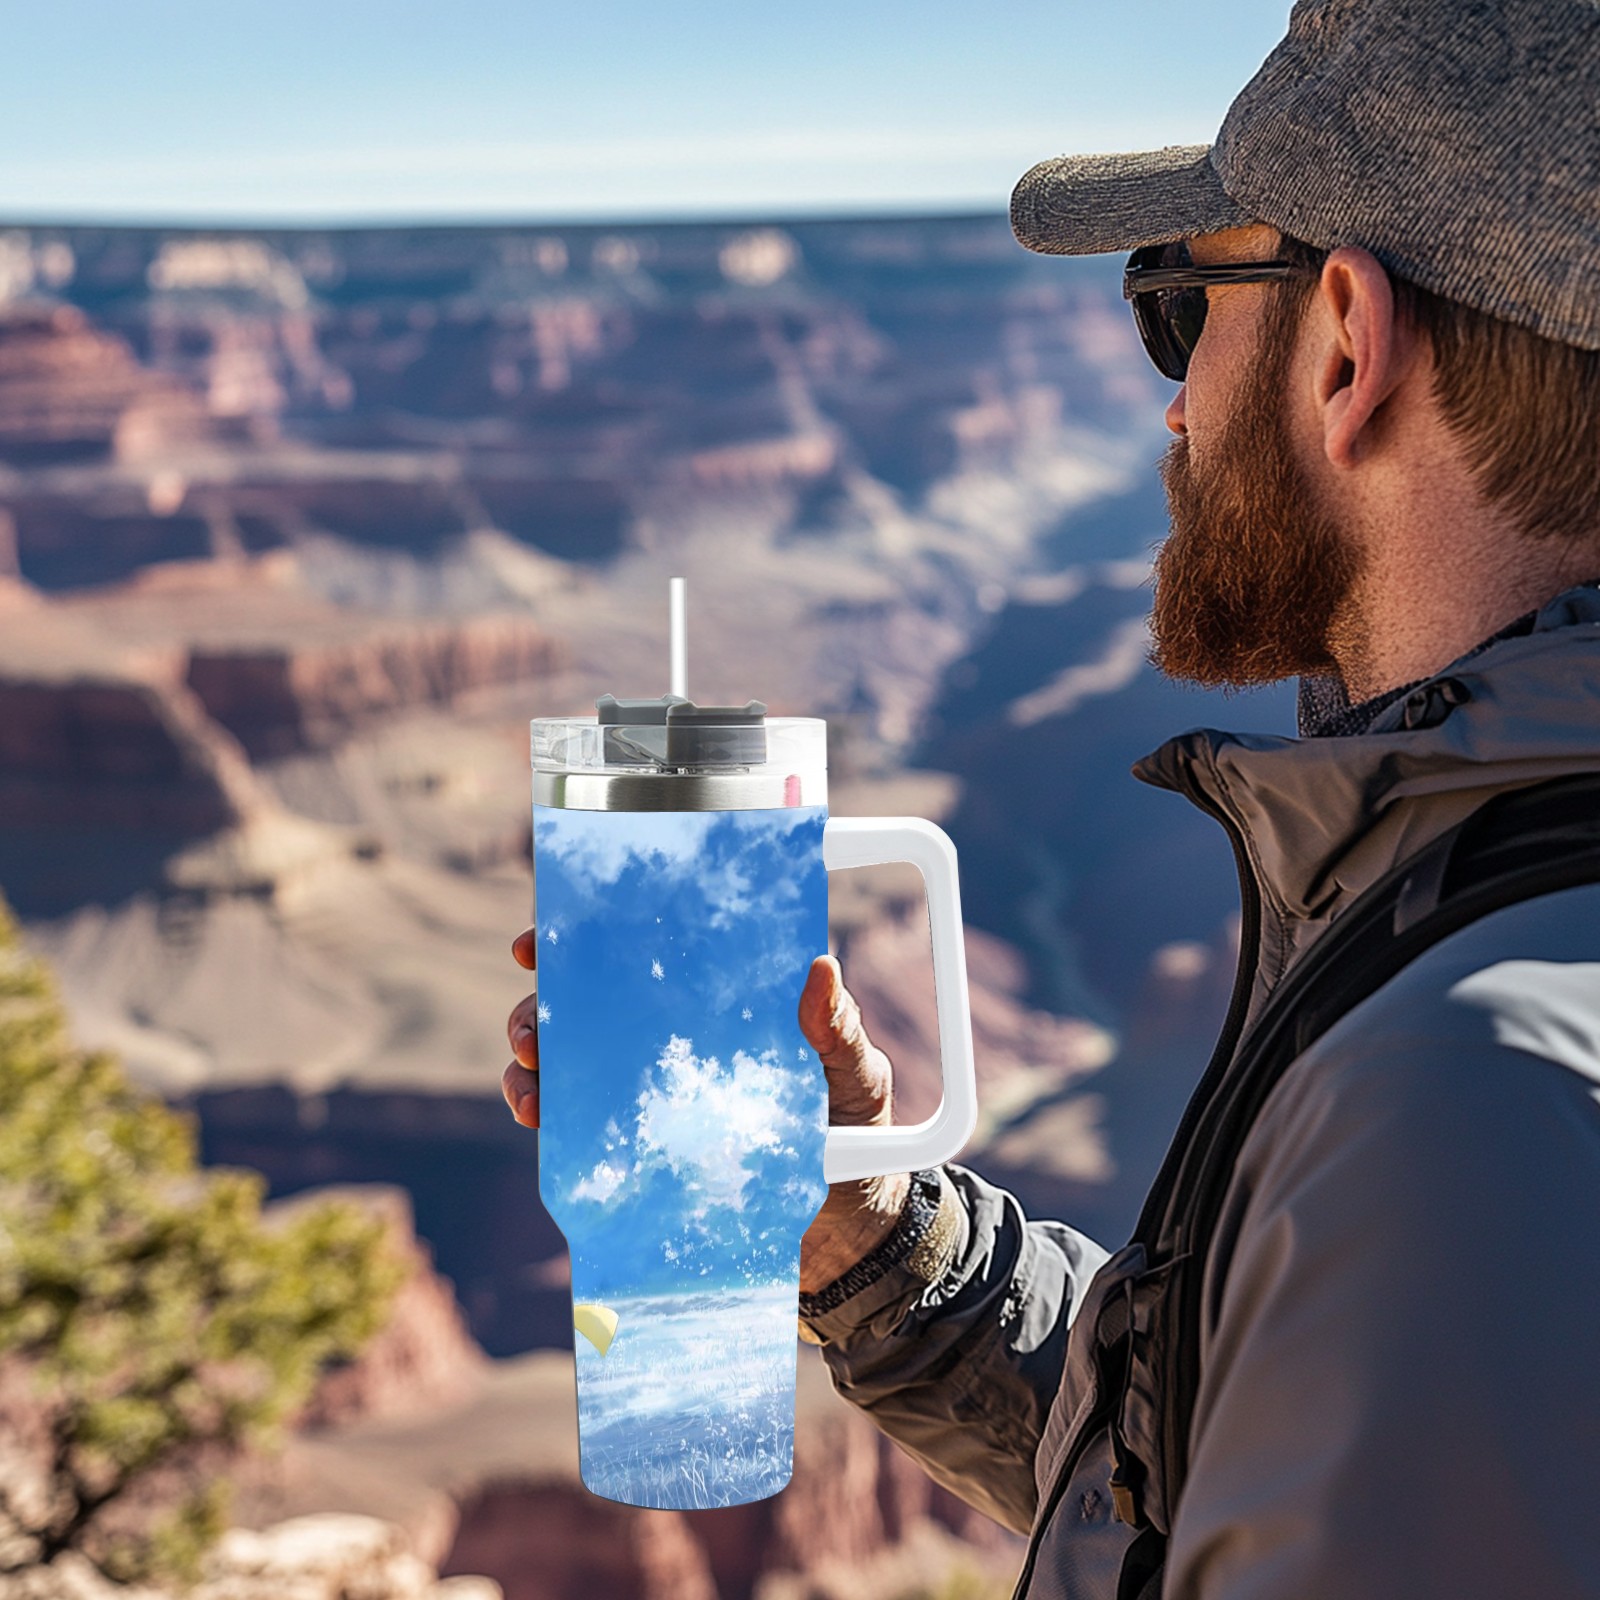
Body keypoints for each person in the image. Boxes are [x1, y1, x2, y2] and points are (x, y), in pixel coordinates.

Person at [505, 0, 1600, 1592]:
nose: (1173, 402)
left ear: (1346, 344)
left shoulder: (1459, 1103)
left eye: (1182, 305)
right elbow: (1237, 1468)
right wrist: (868, 1226)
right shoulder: (1491, 963)